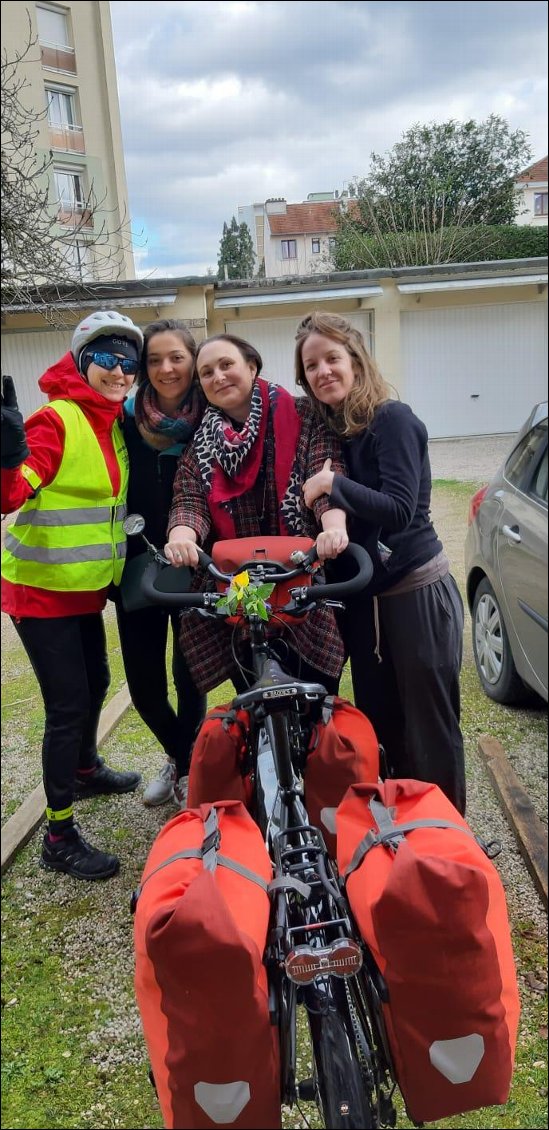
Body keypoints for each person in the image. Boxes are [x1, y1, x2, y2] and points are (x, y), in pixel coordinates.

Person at [296, 311, 466, 815]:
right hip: (365, 599)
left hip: (414, 593)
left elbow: (399, 507)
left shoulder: (393, 420)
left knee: (430, 726)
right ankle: (398, 827)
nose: (323, 370)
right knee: (381, 723)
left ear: (356, 358)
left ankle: (446, 838)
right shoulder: (338, 434)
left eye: (332, 358)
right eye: (311, 365)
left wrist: (331, 486)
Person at [1, 311, 144, 880]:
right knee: (67, 707)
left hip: (83, 590)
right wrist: (8, 457)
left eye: (129, 362)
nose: (120, 370)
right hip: (42, 592)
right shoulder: (56, 421)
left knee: (98, 685)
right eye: (107, 358)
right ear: (84, 362)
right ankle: (58, 835)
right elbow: (11, 495)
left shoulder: (111, 421)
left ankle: (84, 772)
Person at [164, 333, 349, 697]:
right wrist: (181, 537)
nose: (218, 376)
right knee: (253, 696)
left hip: (300, 569)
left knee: (318, 695)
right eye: (206, 372)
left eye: (226, 365)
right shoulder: (200, 444)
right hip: (240, 579)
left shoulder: (303, 414)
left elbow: (326, 473)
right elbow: (190, 499)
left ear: (251, 367)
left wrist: (333, 529)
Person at [115, 319, 207, 808]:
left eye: (176, 357)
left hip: (194, 562)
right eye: (154, 359)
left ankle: (183, 765)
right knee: (145, 686)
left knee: (190, 675)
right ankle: (184, 758)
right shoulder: (123, 418)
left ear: (193, 361)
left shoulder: (211, 415)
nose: (166, 368)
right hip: (137, 566)